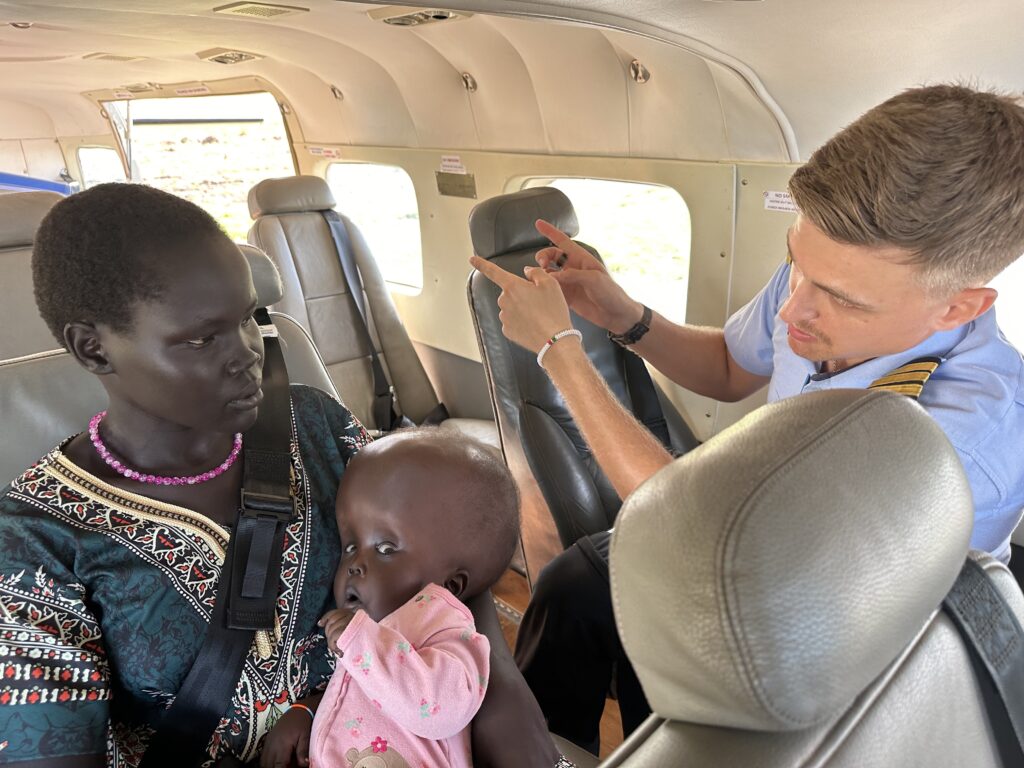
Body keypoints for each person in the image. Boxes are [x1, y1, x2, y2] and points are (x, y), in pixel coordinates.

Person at [470, 83, 1024, 751]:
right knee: (575, 586)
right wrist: (619, 314)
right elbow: (730, 369)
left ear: (959, 308)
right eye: (798, 265)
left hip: (846, 628)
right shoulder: (820, 278)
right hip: (762, 548)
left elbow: (701, 548)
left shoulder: (968, 438)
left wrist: (559, 352)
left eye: (839, 299)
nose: (793, 313)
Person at [0, 183, 562, 768]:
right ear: (93, 350)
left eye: (248, 318)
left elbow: (449, 579)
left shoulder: (314, 425)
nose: (246, 352)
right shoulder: (35, 541)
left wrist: (514, 725)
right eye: (200, 338)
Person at [288, 430, 513, 767]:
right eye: (351, 546)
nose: (355, 566)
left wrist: (361, 641)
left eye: (385, 549)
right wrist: (307, 710)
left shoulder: (448, 631)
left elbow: (437, 709)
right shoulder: (377, 626)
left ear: (450, 585)